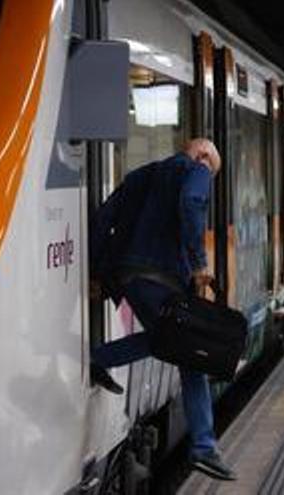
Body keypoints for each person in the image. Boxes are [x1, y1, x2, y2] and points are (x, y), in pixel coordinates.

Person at [89, 139, 237, 481]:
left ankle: (99, 359)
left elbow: (103, 219)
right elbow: (191, 200)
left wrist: (97, 271)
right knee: (189, 353)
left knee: (168, 340)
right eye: (210, 170)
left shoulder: (142, 174)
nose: (207, 176)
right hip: (163, 276)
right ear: (202, 156)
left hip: (129, 276)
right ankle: (203, 447)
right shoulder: (195, 169)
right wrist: (199, 264)